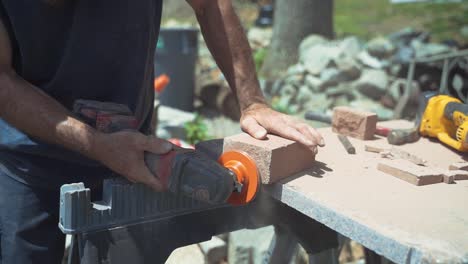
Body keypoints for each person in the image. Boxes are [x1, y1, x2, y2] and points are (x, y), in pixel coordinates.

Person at [0, 0, 324, 263]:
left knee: (121, 253)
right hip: (28, 156)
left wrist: (253, 101)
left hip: (131, 152)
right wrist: (97, 144)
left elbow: (209, 5)